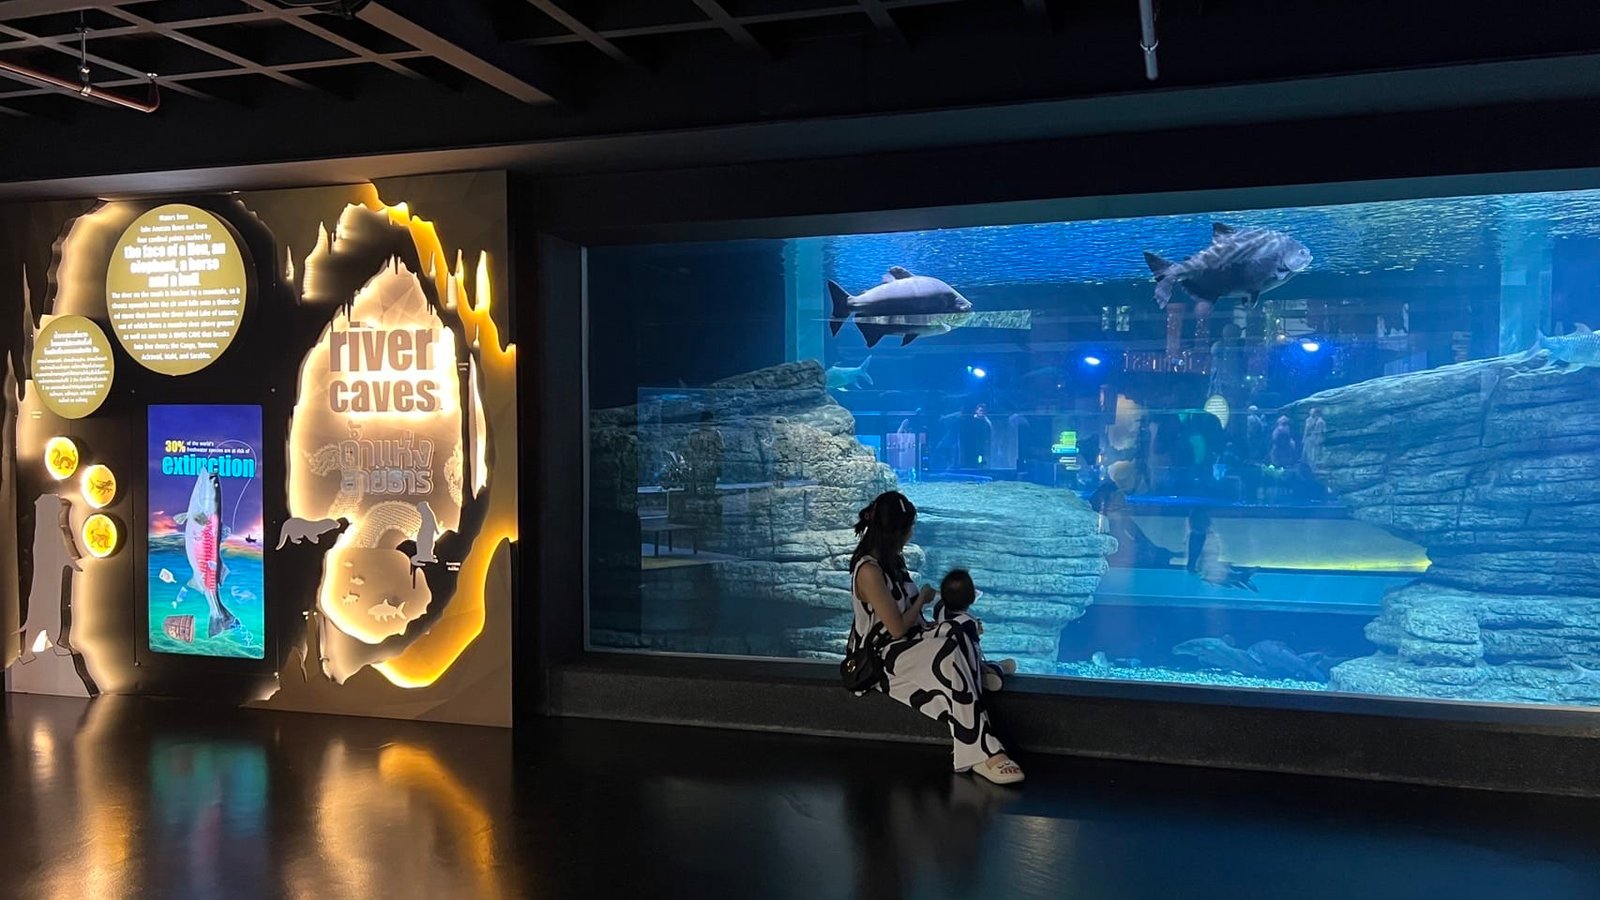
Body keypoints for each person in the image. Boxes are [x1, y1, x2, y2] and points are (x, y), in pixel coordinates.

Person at [845, 491, 1024, 785]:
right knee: (948, 653)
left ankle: (981, 670)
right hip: (883, 654)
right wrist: (924, 599)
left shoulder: (893, 560)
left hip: (911, 636)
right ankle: (981, 750)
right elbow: (896, 629)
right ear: (896, 531)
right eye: (909, 527)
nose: (912, 532)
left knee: (961, 624)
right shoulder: (869, 571)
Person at [931, 569, 1018, 692]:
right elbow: (972, 649)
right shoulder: (969, 622)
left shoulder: (939, 610)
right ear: (971, 598)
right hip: (967, 670)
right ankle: (994, 671)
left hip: (946, 666)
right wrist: (981, 665)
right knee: (1008, 665)